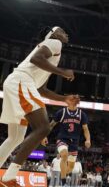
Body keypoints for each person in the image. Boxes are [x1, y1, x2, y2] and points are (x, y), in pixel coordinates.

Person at [0, 26, 78, 186]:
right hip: (21, 81)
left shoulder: (51, 54)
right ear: (54, 33)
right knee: (43, 127)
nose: (65, 33)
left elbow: (41, 89)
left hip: (17, 83)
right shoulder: (55, 42)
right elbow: (36, 58)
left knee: (15, 137)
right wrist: (62, 72)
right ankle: (9, 176)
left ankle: (7, 174)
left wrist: (64, 99)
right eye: (61, 30)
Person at [42, 99, 90, 186]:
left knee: (71, 167)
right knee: (64, 155)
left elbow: (85, 129)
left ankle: (62, 176)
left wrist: (88, 140)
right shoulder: (62, 112)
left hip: (74, 142)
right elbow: (51, 125)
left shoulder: (81, 114)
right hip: (62, 139)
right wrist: (44, 136)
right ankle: (64, 183)